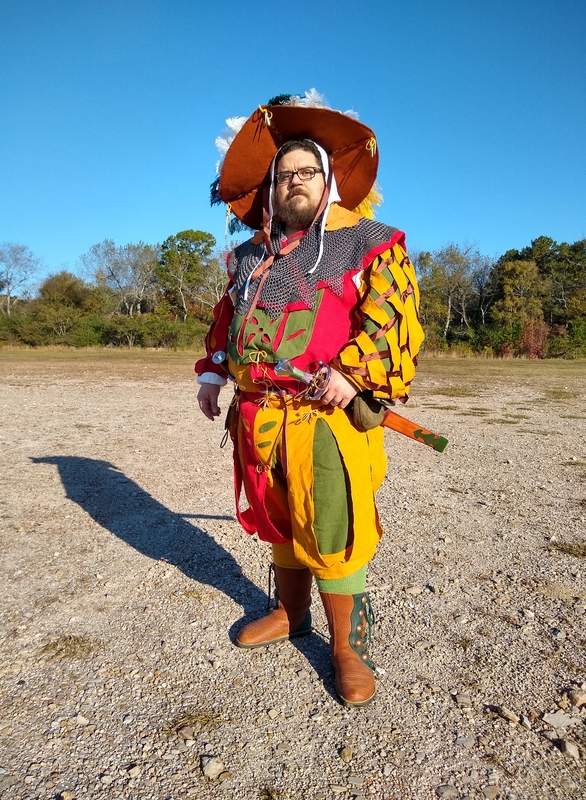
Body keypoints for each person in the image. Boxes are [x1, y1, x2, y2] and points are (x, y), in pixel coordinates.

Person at [196, 91, 424, 707]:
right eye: (283, 175)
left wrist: (354, 372)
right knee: (280, 516)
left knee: (331, 521)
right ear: (270, 188)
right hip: (259, 413)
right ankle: (291, 615)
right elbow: (229, 316)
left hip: (325, 415)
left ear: (327, 181)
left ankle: (348, 645)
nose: (293, 182)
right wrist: (214, 373)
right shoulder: (249, 256)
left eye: (305, 173)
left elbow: (393, 310)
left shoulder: (367, 240)